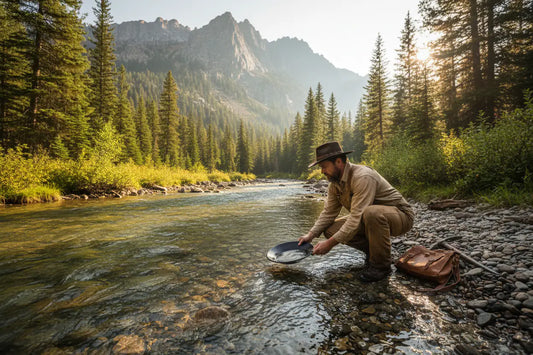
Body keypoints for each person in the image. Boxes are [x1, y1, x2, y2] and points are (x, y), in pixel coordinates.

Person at [298, 141, 415, 282]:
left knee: (371, 213)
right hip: (369, 218)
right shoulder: (334, 184)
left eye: (324, 166)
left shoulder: (362, 177)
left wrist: (329, 244)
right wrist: (310, 235)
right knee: (330, 229)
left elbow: (355, 218)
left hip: (401, 216)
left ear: (339, 161)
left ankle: (381, 266)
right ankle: (374, 253)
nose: (322, 171)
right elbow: (328, 213)